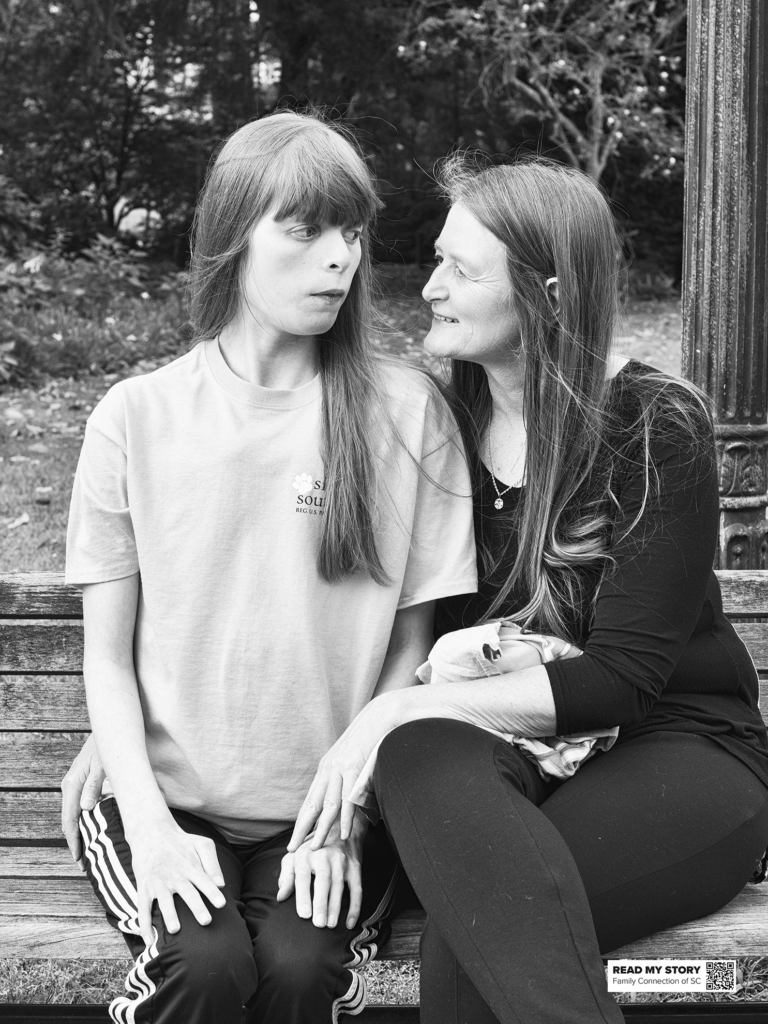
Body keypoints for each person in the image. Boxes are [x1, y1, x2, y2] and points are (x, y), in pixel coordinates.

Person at [287, 157, 768, 1024]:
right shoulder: (436, 423)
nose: (429, 287)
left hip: (677, 751)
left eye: (461, 270)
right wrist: (132, 695)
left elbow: (622, 679)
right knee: (421, 759)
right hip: (510, 753)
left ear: (546, 294)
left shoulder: (654, 425)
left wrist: (396, 708)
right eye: (437, 258)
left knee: (477, 939)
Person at [61, 112, 476, 1024]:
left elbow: (414, 645)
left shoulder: (408, 413)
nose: (342, 259)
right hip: (168, 801)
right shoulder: (137, 418)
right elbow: (107, 656)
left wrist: (349, 820)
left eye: (354, 232)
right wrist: (152, 828)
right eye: (306, 229)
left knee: (294, 967)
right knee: (204, 969)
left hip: (334, 811)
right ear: (231, 235)